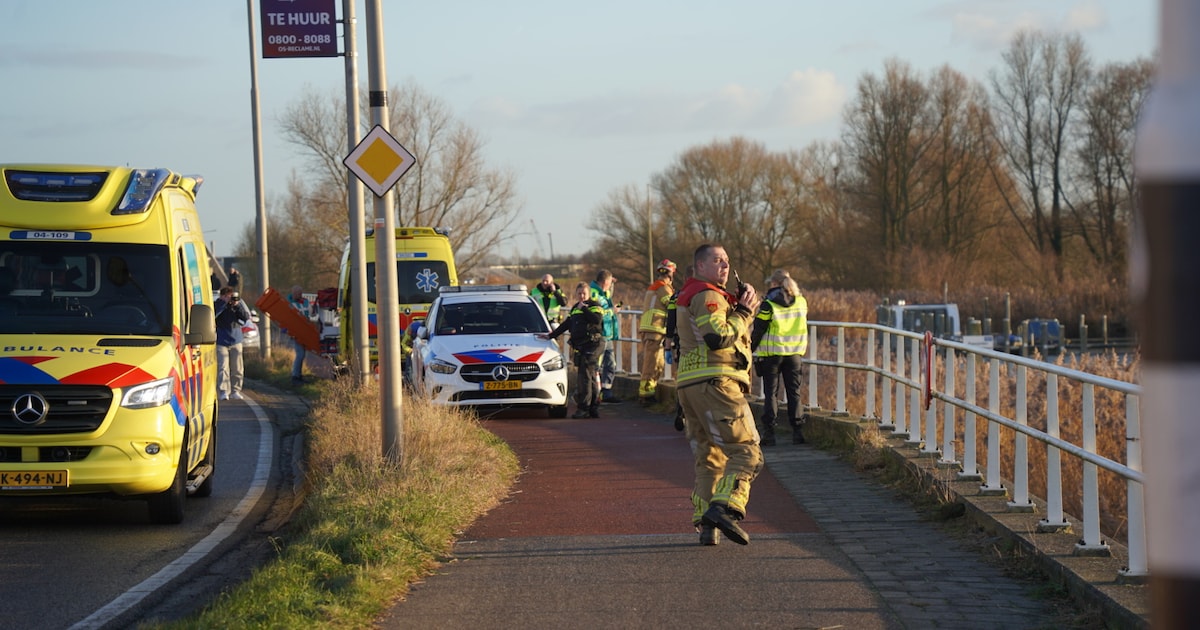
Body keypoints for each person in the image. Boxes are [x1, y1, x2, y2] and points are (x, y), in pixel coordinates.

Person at [675, 243, 760, 546]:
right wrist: (744, 312)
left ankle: (706, 525)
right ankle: (725, 509)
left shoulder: (691, 295)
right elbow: (717, 337)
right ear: (700, 266)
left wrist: (741, 308)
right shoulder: (709, 295)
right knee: (747, 450)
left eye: (727, 261)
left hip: (691, 385)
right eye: (717, 261)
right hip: (716, 383)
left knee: (709, 457)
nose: (725, 266)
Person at [750, 269, 809, 446]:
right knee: (794, 394)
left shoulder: (768, 304)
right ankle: (797, 432)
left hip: (772, 355)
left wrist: (750, 349)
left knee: (771, 394)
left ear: (774, 283)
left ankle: (769, 434)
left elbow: (759, 328)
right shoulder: (801, 302)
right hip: (794, 354)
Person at [539, 283, 605, 419]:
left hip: (593, 344)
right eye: (579, 293)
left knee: (584, 375)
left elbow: (597, 320)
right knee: (590, 375)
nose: (581, 296)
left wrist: (585, 309)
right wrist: (551, 335)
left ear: (588, 294)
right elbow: (567, 324)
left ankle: (584, 408)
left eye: (584, 293)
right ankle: (593, 407)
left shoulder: (594, 305)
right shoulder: (575, 308)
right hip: (581, 346)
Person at [637, 259, 676, 403]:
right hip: (655, 330)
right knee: (652, 363)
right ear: (671, 274)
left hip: (652, 330)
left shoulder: (654, 287)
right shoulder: (663, 288)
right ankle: (646, 395)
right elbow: (674, 306)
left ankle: (649, 391)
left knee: (656, 363)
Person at [588, 269, 621, 403]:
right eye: (609, 283)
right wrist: (612, 311)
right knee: (597, 364)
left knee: (610, 363)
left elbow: (608, 294)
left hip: (607, 333)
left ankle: (606, 391)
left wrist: (612, 284)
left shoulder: (603, 291)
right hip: (600, 333)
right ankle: (596, 393)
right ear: (604, 282)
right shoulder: (594, 293)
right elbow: (597, 313)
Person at [215, 286, 251, 401]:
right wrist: (223, 303)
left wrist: (237, 305)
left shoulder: (235, 306)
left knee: (237, 367)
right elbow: (213, 315)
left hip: (236, 340)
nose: (229, 299)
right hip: (221, 341)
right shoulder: (217, 304)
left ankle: (235, 390)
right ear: (222, 296)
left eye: (230, 296)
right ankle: (224, 391)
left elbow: (245, 317)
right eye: (227, 296)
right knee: (223, 367)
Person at [286, 285, 316, 383]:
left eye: (300, 293)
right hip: (297, 332)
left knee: (302, 354)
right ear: (293, 293)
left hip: (305, 331)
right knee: (300, 354)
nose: (299, 295)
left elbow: (311, 313)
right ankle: (295, 376)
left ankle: (297, 375)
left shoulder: (305, 302)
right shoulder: (289, 303)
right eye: (297, 293)